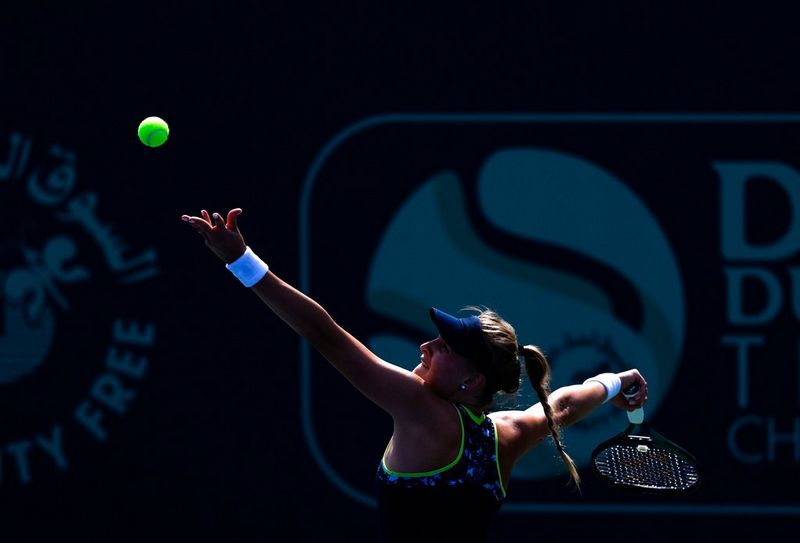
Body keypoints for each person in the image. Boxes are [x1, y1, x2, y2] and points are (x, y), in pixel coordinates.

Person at [181, 208, 649, 542]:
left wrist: (241, 261)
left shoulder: (425, 411)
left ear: (473, 381)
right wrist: (615, 380)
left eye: (443, 348)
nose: (424, 346)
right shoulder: (507, 434)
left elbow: (323, 333)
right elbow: (565, 403)